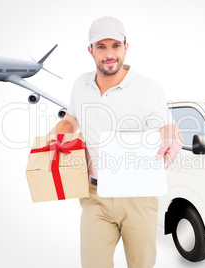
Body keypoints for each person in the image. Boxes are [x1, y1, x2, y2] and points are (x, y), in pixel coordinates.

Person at [49, 16, 182, 268]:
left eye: (115, 46)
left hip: (138, 197)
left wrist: (173, 140)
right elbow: (70, 121)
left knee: (141, 265)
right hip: (94, 195)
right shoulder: (81, 85)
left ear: (125, 47)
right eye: (101, 47)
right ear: (90, 50)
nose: (109, 54)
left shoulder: (147, 88)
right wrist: (46, 145)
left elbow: (169, 128)